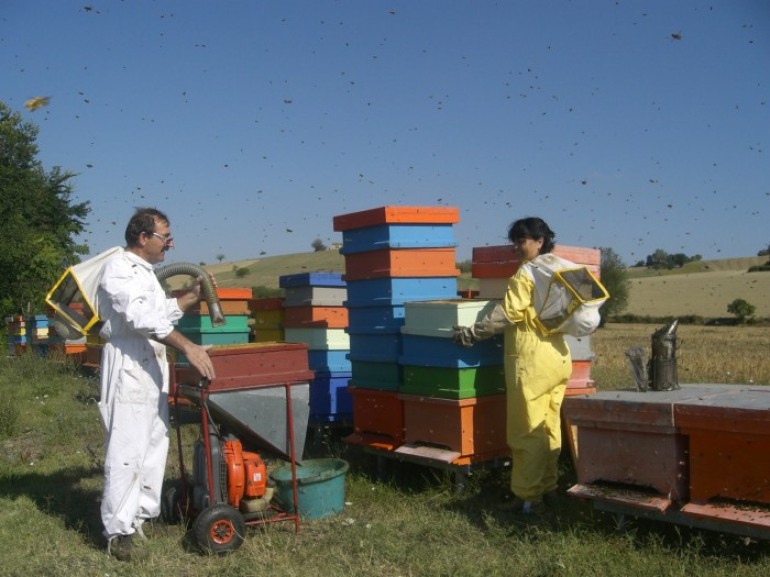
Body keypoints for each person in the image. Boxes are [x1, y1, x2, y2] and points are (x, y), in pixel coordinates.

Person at [97, 207, 217, 560]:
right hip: (129, 361)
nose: (170, 243)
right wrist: (189, 347)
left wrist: (190, 298)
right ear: (142, 237)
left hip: (151, 361)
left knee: (153, 444)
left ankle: (140, 517)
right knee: (126, 450)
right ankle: (119, 533)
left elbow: (158, 313)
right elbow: (140, 317)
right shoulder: (118, 268)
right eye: (165, 237)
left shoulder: (146, 273)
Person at [454, 217, 572, 514]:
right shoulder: (560, 268)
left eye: (522, 241)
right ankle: (549, 488)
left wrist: (472, 333)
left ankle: (527, 498)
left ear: (539, 241)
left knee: (526, 431)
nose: (517, 247)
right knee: (549, 428)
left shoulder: (527, 273)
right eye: (515, 241)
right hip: (558, 358)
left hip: (531, 361)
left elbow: (508, 313)